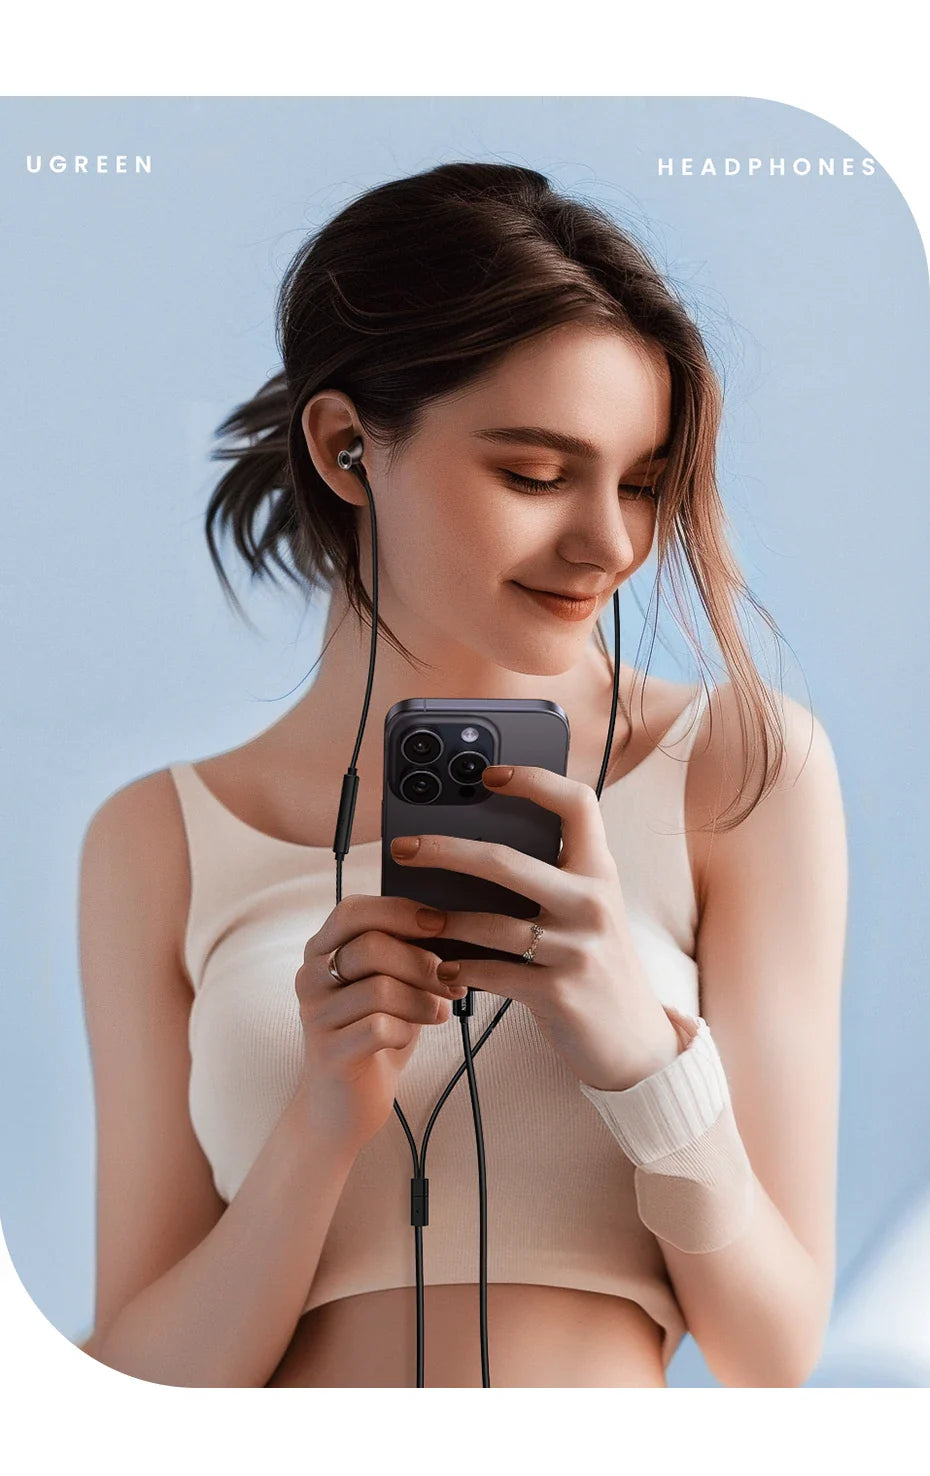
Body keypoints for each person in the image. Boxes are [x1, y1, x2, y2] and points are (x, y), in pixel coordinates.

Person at [77, 161, 847, 1388]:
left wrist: (640, 1056)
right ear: (343, 449)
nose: (611, 545)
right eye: (536, 476)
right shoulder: (161, 837)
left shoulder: (740, 771)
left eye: (642, 485)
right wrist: (320, 1123)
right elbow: (133, 1384)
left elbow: (773, 1349)